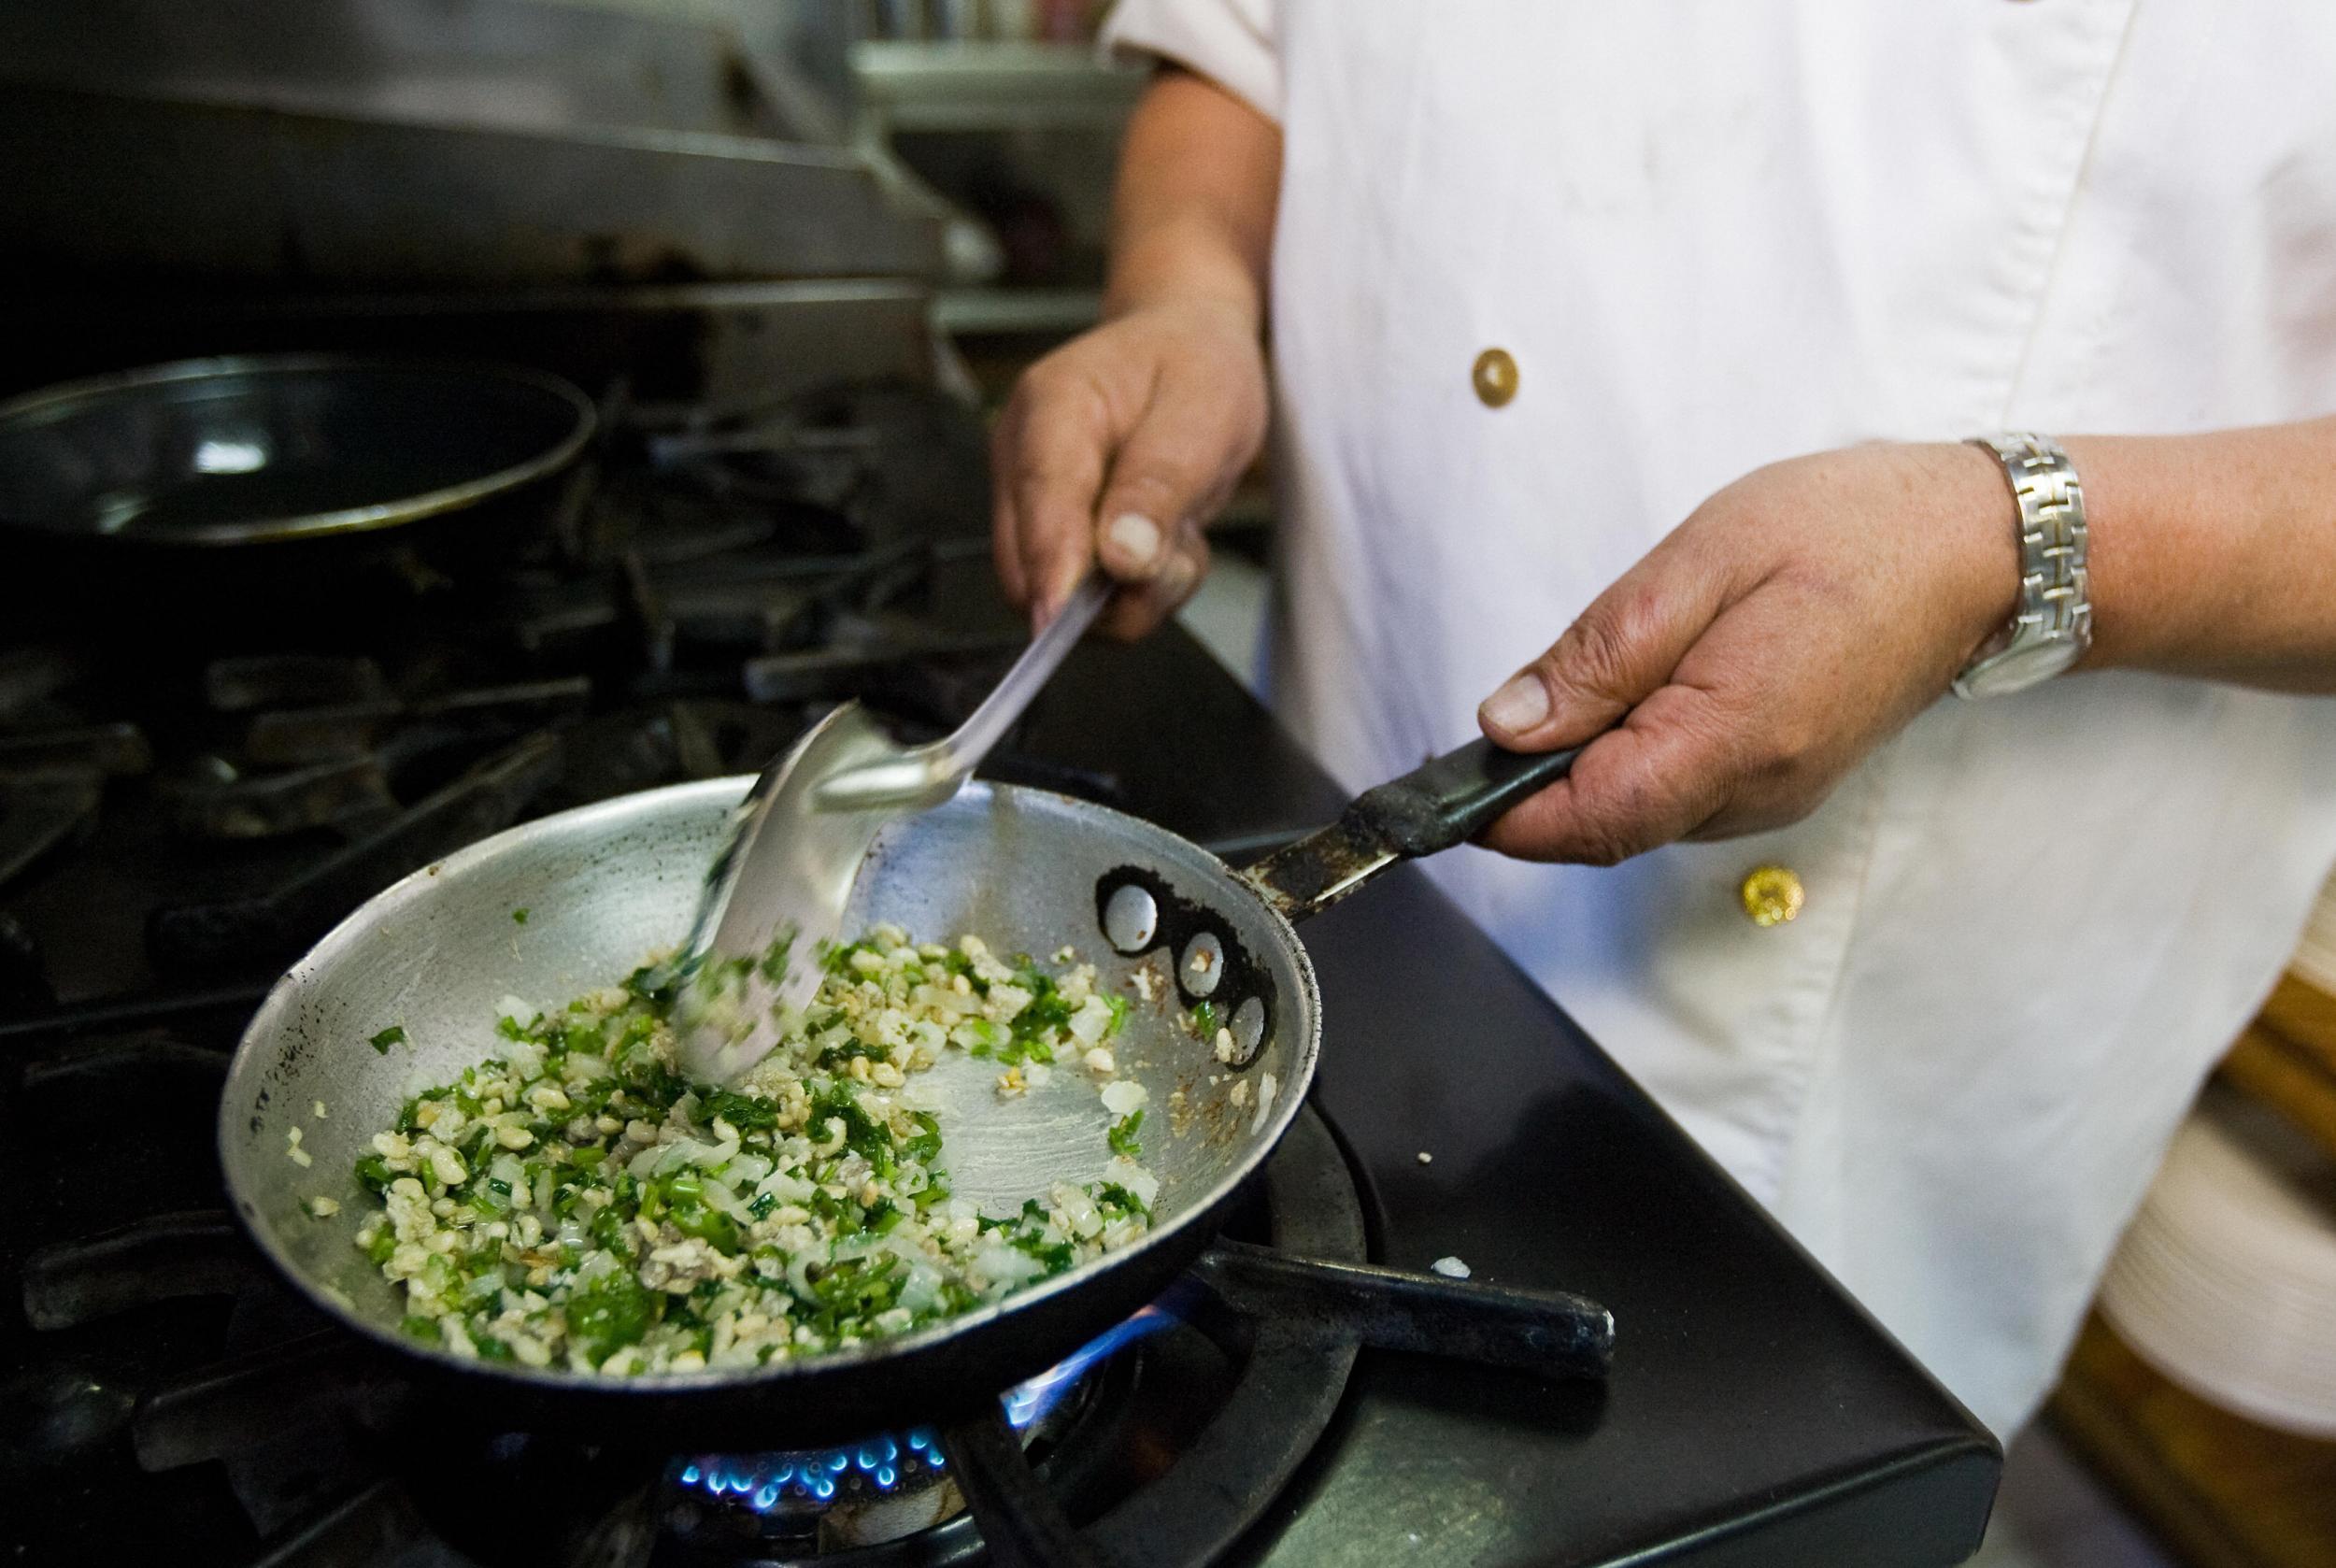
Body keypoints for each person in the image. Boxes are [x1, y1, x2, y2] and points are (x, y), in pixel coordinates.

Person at [987, 3, 2336, 1438]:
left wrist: (1997, 545)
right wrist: (1184, 294)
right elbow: (1242, 50)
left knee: (1740, 1455)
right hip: (1361, 722)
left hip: (1884, 1008)